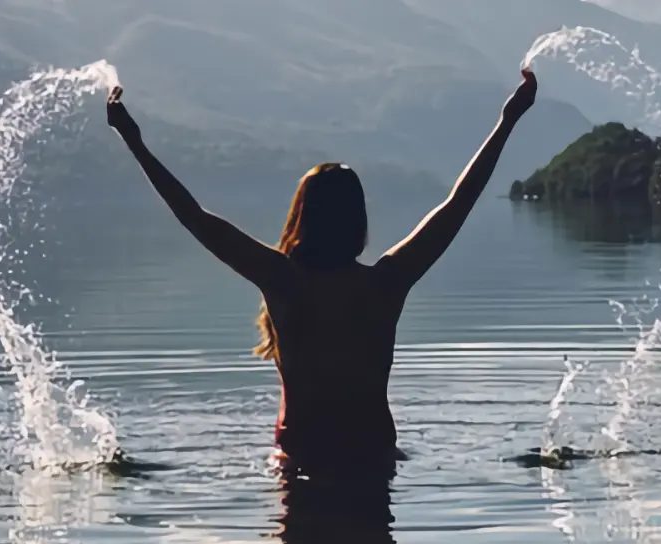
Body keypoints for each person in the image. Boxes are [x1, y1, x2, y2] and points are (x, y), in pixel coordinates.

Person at [106, 73, 538, 476]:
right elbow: (458, 203)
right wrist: (507, 121)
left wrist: (134, 142)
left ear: (301, 218)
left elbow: (194, 217)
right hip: (373, 460)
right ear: (358, 222)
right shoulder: (385, 282)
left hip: (301, 459)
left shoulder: (282, 280)